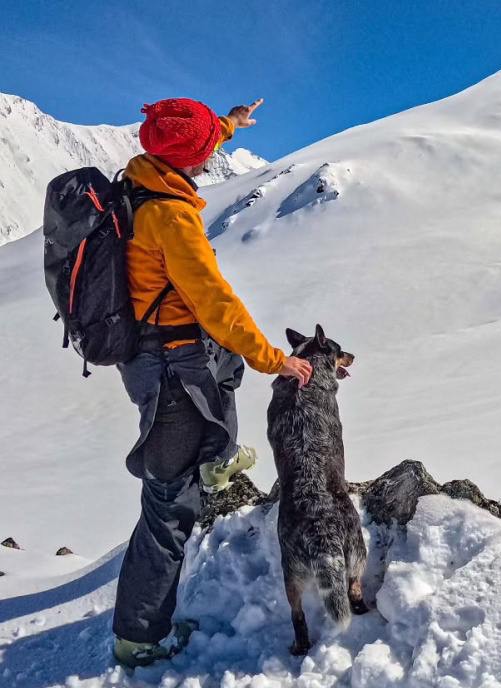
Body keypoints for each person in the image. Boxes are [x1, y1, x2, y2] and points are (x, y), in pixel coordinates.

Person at [111, 97, 312, 668]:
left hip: (164, 355)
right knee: (167, 509)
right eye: (204, 149)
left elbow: (184, 146)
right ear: (186, 157)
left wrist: (226, 126)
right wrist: (276, 359)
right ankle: (138, 639)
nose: (206, 159)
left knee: (224, 368)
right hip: (171, 368)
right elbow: (216, 303)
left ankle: (216, 457)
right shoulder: (171, 218)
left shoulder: (139, 179)